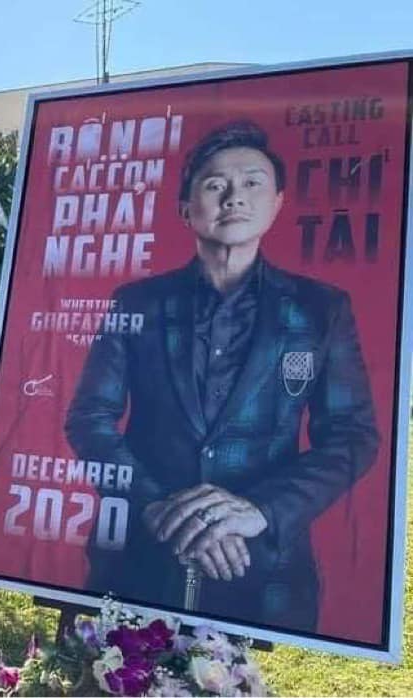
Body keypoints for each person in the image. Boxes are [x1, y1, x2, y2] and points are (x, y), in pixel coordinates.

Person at [65, 121, 379, 632]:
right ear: (185, 209)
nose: (234, 197)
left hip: (261, 563)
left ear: (277, 202)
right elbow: (89, 418)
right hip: (141, 552)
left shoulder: (322, 310)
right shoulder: (137, 302)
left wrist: (260, 511)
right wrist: (155, 505)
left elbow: (352, 436)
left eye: (252, 182)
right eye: (215, 184)